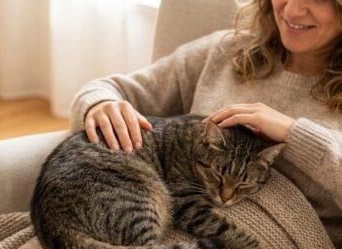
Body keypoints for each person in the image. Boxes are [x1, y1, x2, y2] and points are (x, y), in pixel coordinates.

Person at [70, 0, 342, 225]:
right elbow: (108, 89)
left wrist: (296, 134)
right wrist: (100, 106)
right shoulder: (223, 52)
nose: (292, 10)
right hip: (150, 224)